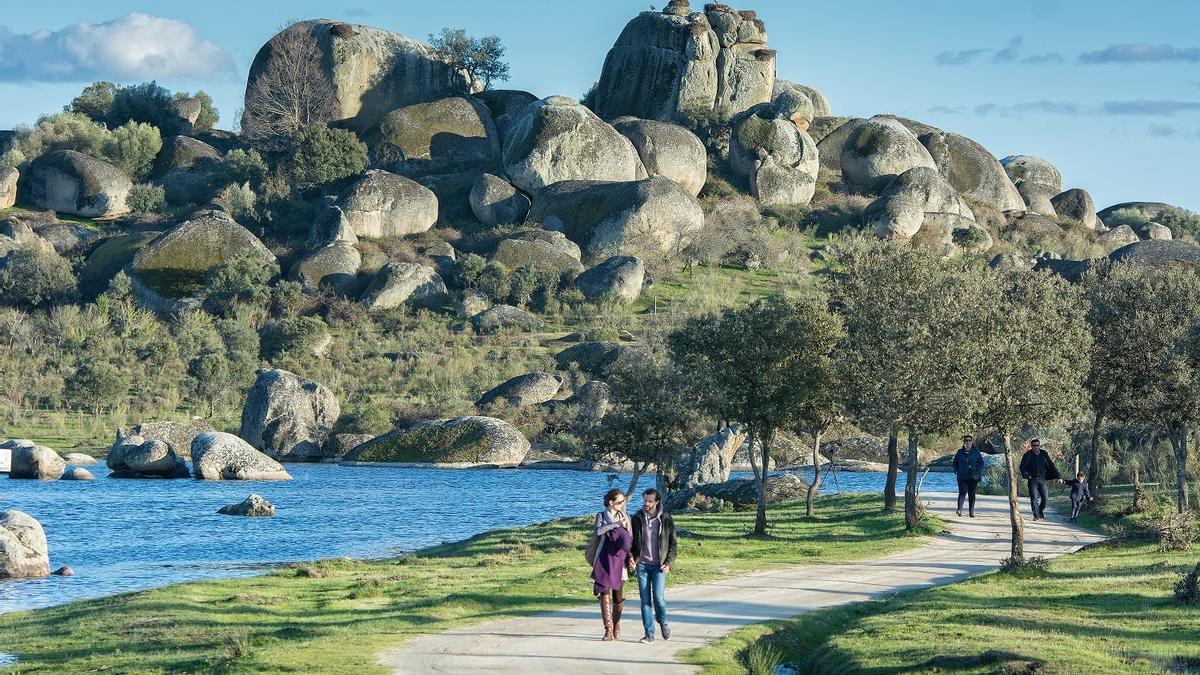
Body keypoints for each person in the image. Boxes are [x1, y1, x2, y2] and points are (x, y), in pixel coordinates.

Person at [629, 488, 677, 644]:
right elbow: (629, 542)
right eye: (644, 500)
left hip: (659, 566)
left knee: (658, 598)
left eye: (650, 501)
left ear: (657, 502)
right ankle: (649, 634)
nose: (646, 503)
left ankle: (663, 622)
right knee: (645, 601)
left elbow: (673, 545)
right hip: (642, 565)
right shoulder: (636, 519)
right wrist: (631, 557)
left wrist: (668, 563)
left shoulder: (666, 519)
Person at [592, 488, 633, 641]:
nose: (623, 504)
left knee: (618, 595)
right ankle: (608, 629)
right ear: (611, 502)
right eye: (620, 501)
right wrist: (616, 524)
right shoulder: (601, 516)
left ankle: (616, 623)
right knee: (604, 592)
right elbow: (598, 531)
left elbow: (629, 540)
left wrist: (630, 557)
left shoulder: (626, 517)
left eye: (623, 501)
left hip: (620, 560)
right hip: (603, 559)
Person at [1018, 438, 1061, 521]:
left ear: (1039, 445)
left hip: (1042, 479)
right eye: (1034, 445)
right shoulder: (1027, 455)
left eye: (1037, 445)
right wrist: (1027, 476)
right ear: (1031, 446)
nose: (1036, 447)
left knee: (1045, 498)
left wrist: (1057, 476)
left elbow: (1051, 464)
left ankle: (1040, 510)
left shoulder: (1044, 454)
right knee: (1034, 498)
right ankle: (1036, 515)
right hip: (1032, 480)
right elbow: (1022, 467)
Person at [952, 434, 985, 518]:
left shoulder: (976, 452)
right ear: (964, 442)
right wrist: (956, 470)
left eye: (969, 440)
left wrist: (978, 470)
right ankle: (959, 510)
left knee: (972, 494)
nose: (968, 442)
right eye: (966, 440)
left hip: (973, 476)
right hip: (962, 476)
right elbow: (955, 462)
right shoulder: (960, 452)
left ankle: (971, 512)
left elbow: (981, 462)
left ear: (971, 441)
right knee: (962, 493)